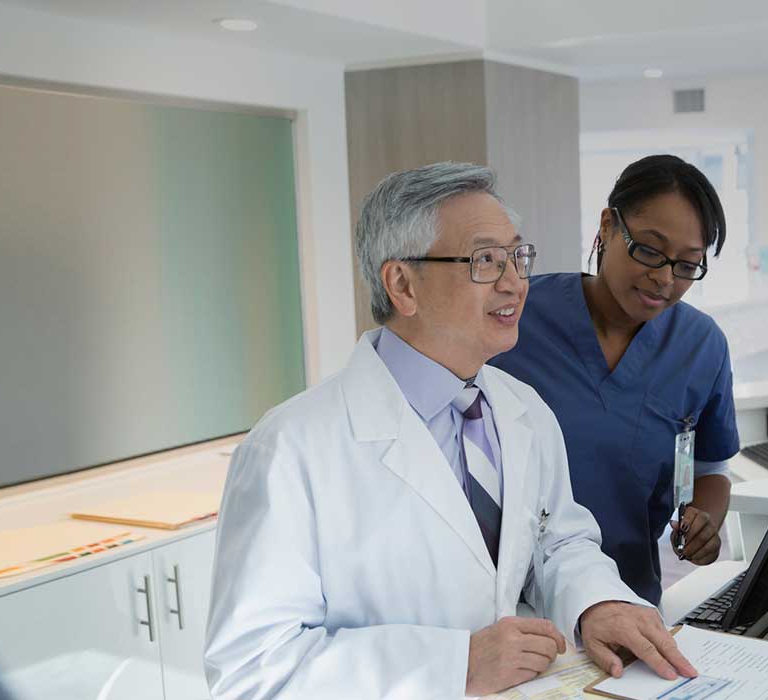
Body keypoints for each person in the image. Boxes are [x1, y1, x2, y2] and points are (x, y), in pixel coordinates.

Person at [204, 162, 695, 699]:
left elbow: (557, 541)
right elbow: (251, 669)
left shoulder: (522, 410)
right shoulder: (290, 449)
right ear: (402, 284)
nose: (514, 283)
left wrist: (597, 602)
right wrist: (450, 665)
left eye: (517, 257)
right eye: (485, 260)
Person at [491, 155, 740, 605]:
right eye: (648, 249)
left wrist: (704, 520)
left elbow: (709, 466)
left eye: (687, 265)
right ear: (608, 226)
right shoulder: (515, 320)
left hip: (630, 603)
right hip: (511, 605)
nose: (664, 278)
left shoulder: (700, 345)